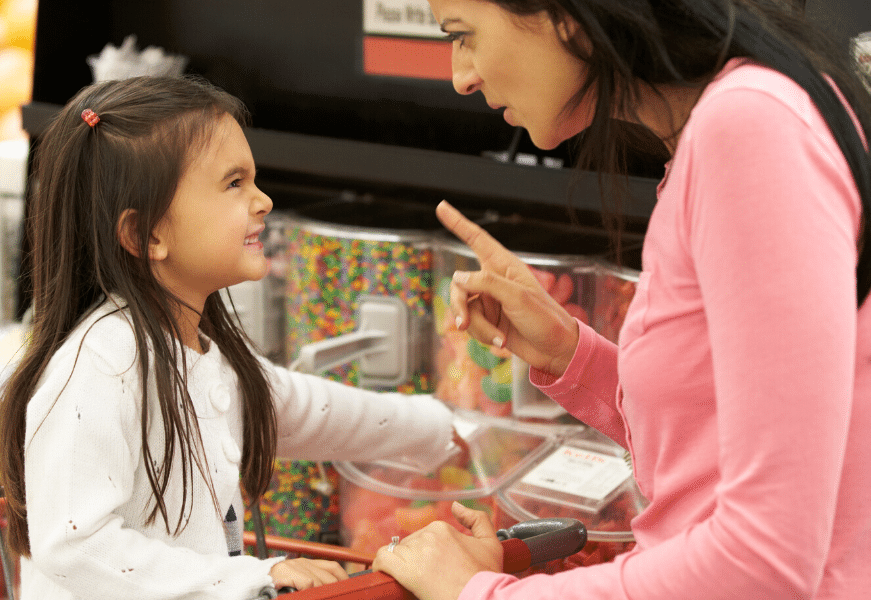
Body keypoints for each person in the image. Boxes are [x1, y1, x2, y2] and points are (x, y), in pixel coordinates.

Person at [372, 1, 871, 599]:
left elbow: (762, 562)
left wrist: (479, 593)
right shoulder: (747, 115)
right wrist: (569, 354)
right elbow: (711, 454)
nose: (462, 76)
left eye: (464, 35)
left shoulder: (749, 127)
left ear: (566, 15)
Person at [0, 75, 457, 600]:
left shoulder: (199, 351)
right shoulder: (101, 361)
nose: (262, 200)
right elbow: (74, 546)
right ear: (147, 235)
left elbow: (308, 409)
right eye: (234, 183)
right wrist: (251, 577)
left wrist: (445, 431)